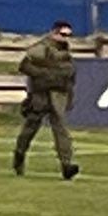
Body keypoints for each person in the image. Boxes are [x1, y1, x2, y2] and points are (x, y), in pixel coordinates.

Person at [14, 20, 81, 179]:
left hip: (58, 95)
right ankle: (19, 155)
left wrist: (69, 95)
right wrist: (42, 74)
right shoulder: (41, 49)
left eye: (68, 35)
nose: (65, 38)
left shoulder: (66, 55)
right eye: (62, 34)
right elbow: (24, 66)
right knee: (30, 129)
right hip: (41, 95)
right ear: (54, 32)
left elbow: (70, 78)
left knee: (61, 130)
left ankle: (66, 165)